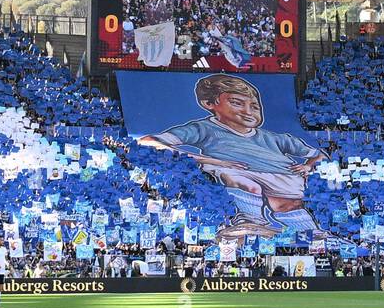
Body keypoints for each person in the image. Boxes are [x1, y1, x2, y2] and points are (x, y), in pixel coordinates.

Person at [137, 74, 326, 242]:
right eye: (236, 102)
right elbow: (148, 141)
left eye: (254, 106)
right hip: (236, 172)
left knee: (287, 204)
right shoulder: (203, 129)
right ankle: (250, 219)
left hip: (283, 176)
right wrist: (210, 161)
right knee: (243, 181)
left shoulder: (275, 138)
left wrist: (309, 166)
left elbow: (320, 155)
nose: (248, 111)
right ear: (209, 104)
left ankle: (310, 234)